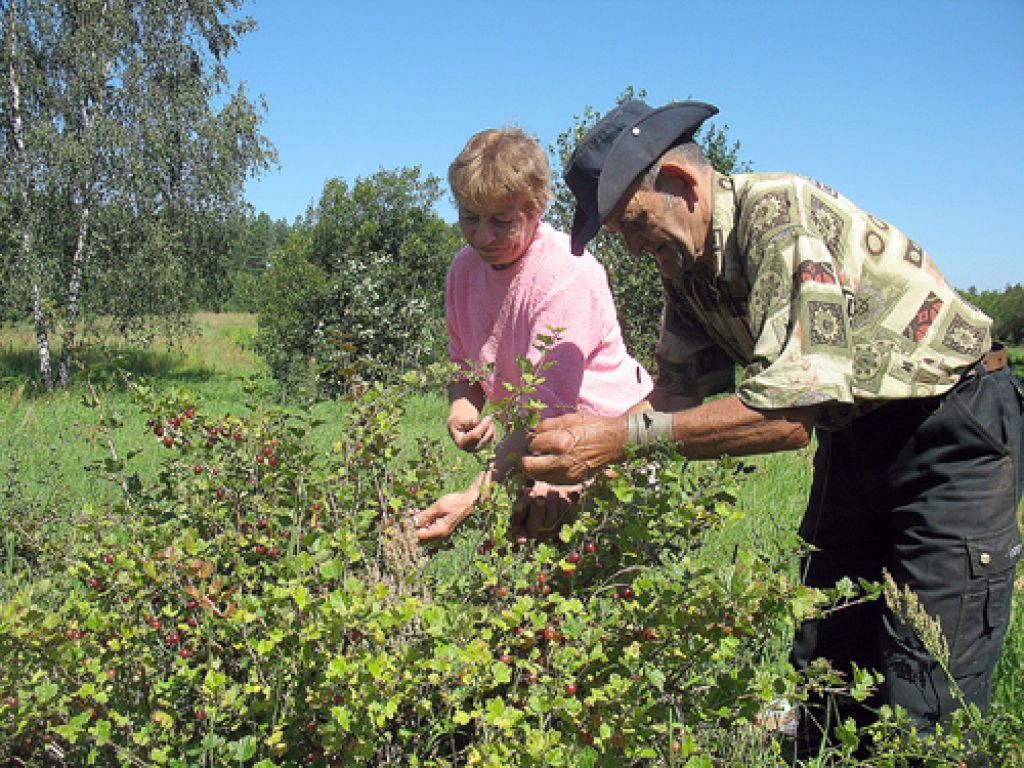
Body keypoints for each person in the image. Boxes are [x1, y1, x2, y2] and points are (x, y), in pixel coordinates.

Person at [521, 99, 1023, 752]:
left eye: (634, 223)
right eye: (621, 235)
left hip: (952, 432)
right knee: (826, 675)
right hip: (856, 438)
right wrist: (574, 473)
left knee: (925, 697)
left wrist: (611, 441)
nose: (635, 247)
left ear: (681, 182)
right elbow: (672, 403)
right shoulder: (689, 269)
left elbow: (787, 418)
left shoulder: (779, 217)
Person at [411, 126, 652, 541]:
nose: (483, 236)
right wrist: (462, 409)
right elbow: (463, 364)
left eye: (502, 221)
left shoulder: (563, 273)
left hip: (616, 441)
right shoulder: (464, 270)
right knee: (537, 563)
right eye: (469, 217)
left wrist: (472, 497)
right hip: (544, 444)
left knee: (602, 566)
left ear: (537, 207)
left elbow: (545, 410)